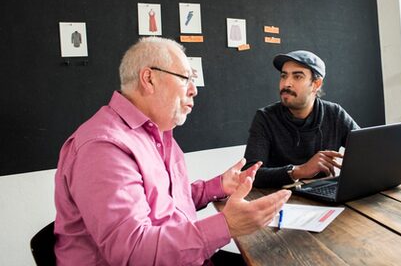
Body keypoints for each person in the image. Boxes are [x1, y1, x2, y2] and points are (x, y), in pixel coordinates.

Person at [54, 37, 291, 266]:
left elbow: (164, 200)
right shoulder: (104, 148)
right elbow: (133, 253)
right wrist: (228, 225)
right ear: (149, 79)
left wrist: (217, 186)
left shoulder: (157, 133)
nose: (194, 90)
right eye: (186, 78)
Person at [244, 50, 360, 188]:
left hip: (323, 193)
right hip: (278, 198)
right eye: (283, 76)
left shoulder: (335, 114)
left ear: (316, 84)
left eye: (297, 77)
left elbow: (367, 150)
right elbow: (250, 173)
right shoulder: (265, 117)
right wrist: (299, 171)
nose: (286, 83)